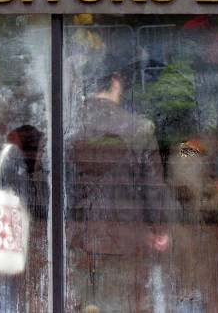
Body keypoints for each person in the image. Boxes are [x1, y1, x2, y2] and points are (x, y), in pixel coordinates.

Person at [66, 52, 171, 312]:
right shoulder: (138, 128)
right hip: (122, 237)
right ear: (116, 82)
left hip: (75, 237)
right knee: (116, 302)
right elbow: (152, 187)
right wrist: (158, 229)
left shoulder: (67, 127)